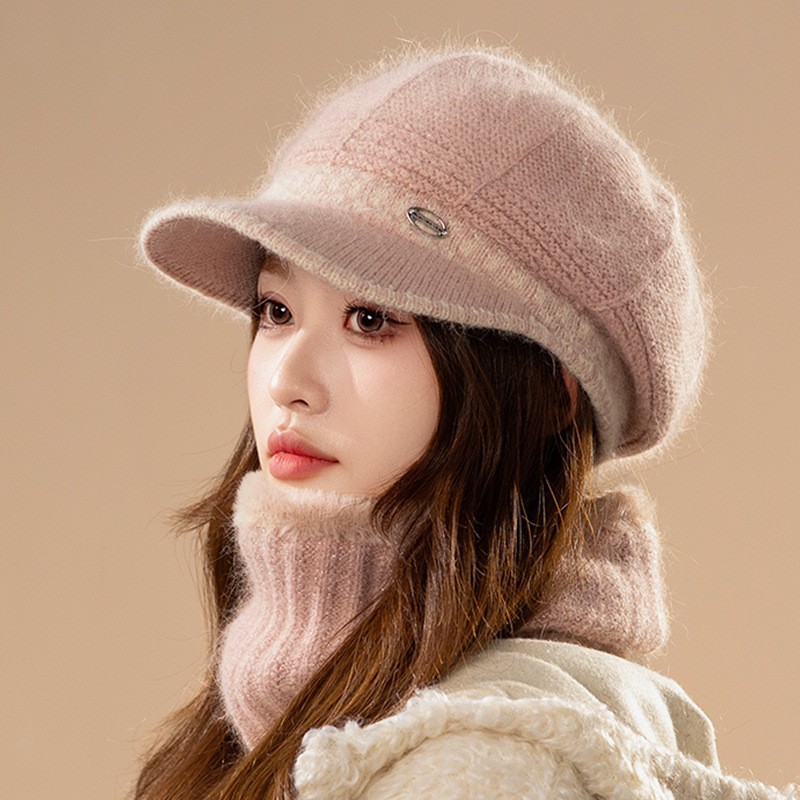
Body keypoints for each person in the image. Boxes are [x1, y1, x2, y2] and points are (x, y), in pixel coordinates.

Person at [135, 45, 796, 800]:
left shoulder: (494, 761)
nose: (288, 382)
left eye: (370, 319)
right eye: (276, 311)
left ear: (551, 393)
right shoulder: (290, 711)